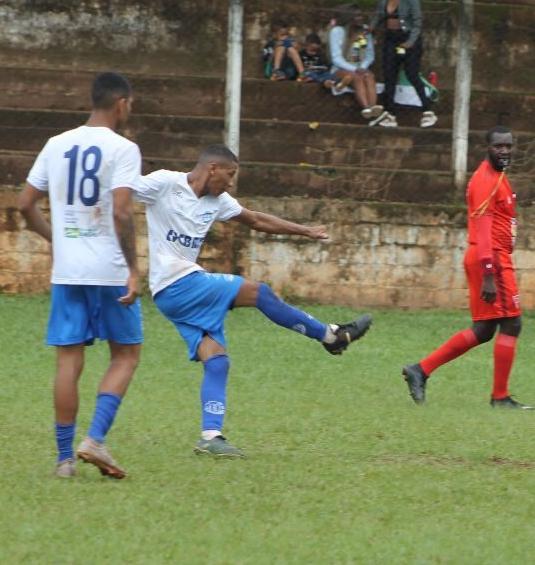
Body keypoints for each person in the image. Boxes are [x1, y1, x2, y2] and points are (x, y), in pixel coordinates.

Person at [114, 144, 372, 457]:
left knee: (218, 361)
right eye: (230, 175)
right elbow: (122, 192)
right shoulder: (165, 183)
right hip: (176, 283)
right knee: (259, 293)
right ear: (212, 169)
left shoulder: (218, 200)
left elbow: (256, 220)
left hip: (175, 294)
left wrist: (304, 230)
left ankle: (211, 437)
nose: (232, 183)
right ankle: (330, 336)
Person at [17, 72, 144, 479]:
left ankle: (63, 459)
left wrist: (56, 238)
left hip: (67, 271)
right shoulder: (124, 149)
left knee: (69, 361)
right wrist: (134, 269)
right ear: (121, 103)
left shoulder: (56, 144)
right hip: (108, 270)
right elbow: (122, 211)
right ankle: (95, 439)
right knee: (126, 353)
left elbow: (24, 205)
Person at [402, 126, 533, 409]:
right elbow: (484, 229)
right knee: (512, 323)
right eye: (499, 146)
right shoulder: (486, 180)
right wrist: (489, 273)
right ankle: (500, 398)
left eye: (509, 146)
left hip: (491, 258)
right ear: (487, 147)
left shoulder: (497, 176)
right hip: (492, 259)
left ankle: (420, 370)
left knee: (485, 330)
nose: (505, 151)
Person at [369, 0, 436, 129]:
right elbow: (379, 15)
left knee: (412, 74)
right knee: (389, 76)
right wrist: (372, 26)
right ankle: (391, 113)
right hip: (391, 39)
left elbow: (418, 22)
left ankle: (427, 110)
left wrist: (410, 42)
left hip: (408, 39)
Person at [328, 3, 382, 120]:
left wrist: (363, 67)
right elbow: (336, 58)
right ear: (348, 18)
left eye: (360, 15)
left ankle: (373, 107)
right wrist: (354, 69)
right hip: (341, 69)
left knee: (369, 76)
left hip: (360, 67)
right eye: (356, 16)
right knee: (357, 77)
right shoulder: (337, 31)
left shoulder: (365, 31)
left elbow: (369, 55)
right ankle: (366, 108)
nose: (360, 18)